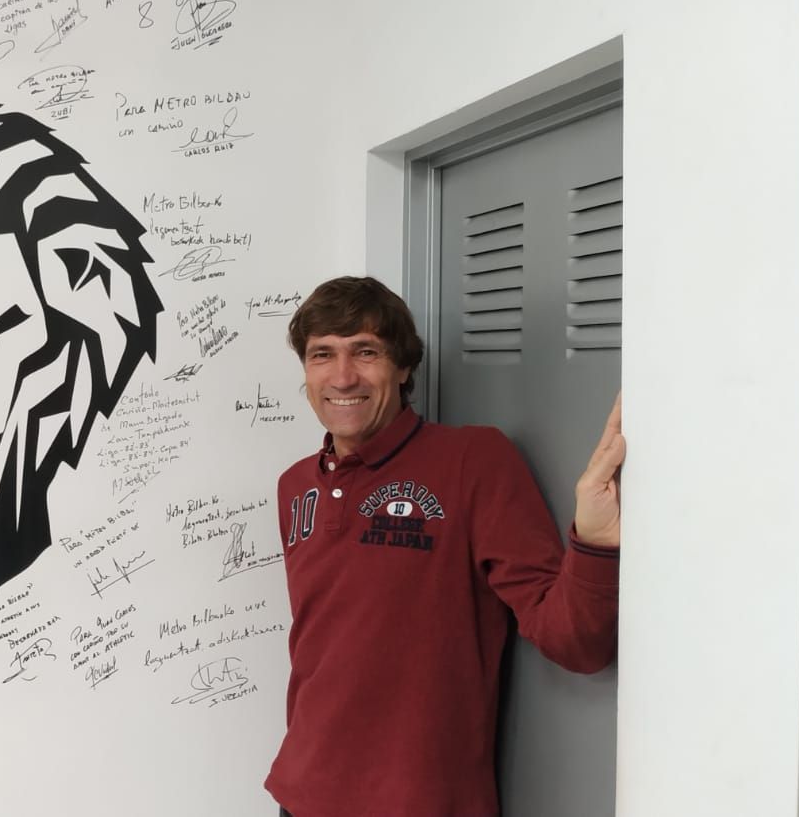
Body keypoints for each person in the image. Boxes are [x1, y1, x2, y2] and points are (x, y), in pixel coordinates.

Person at [266, 276, 624, 817]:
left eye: (366, 352)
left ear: (403, 367)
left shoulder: (473, 461)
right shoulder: (295, 486)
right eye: (323, 355)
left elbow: (573, 642)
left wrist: (594, 542)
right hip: (301, 797)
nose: (342, 376)